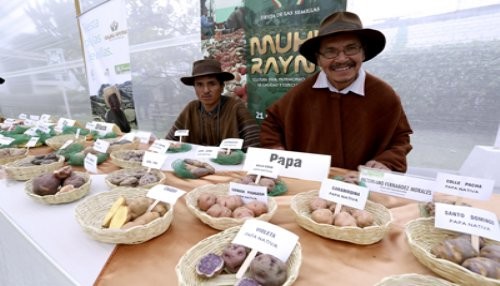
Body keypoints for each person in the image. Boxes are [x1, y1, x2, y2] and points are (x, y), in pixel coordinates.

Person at [260, 11, 413, 172]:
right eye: (330, 51)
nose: (341, 59)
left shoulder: (383, 95)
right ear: (318, 59)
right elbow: (272, 123)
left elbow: (400, 139)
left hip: (359, 187)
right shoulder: (301, 94)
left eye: (351, 48)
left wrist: (387, 161)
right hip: (310, 185)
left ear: (363, 53)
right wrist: (276, 150)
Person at [165, 59, 260, 150]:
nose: (206, 90)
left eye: (212, 84)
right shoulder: (191, 108)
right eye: (199, 85)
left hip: (228, 164)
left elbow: (254, 144)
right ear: (194, 88)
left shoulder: (235, 107)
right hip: (193, 164)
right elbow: (169, 141)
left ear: (222, 87)